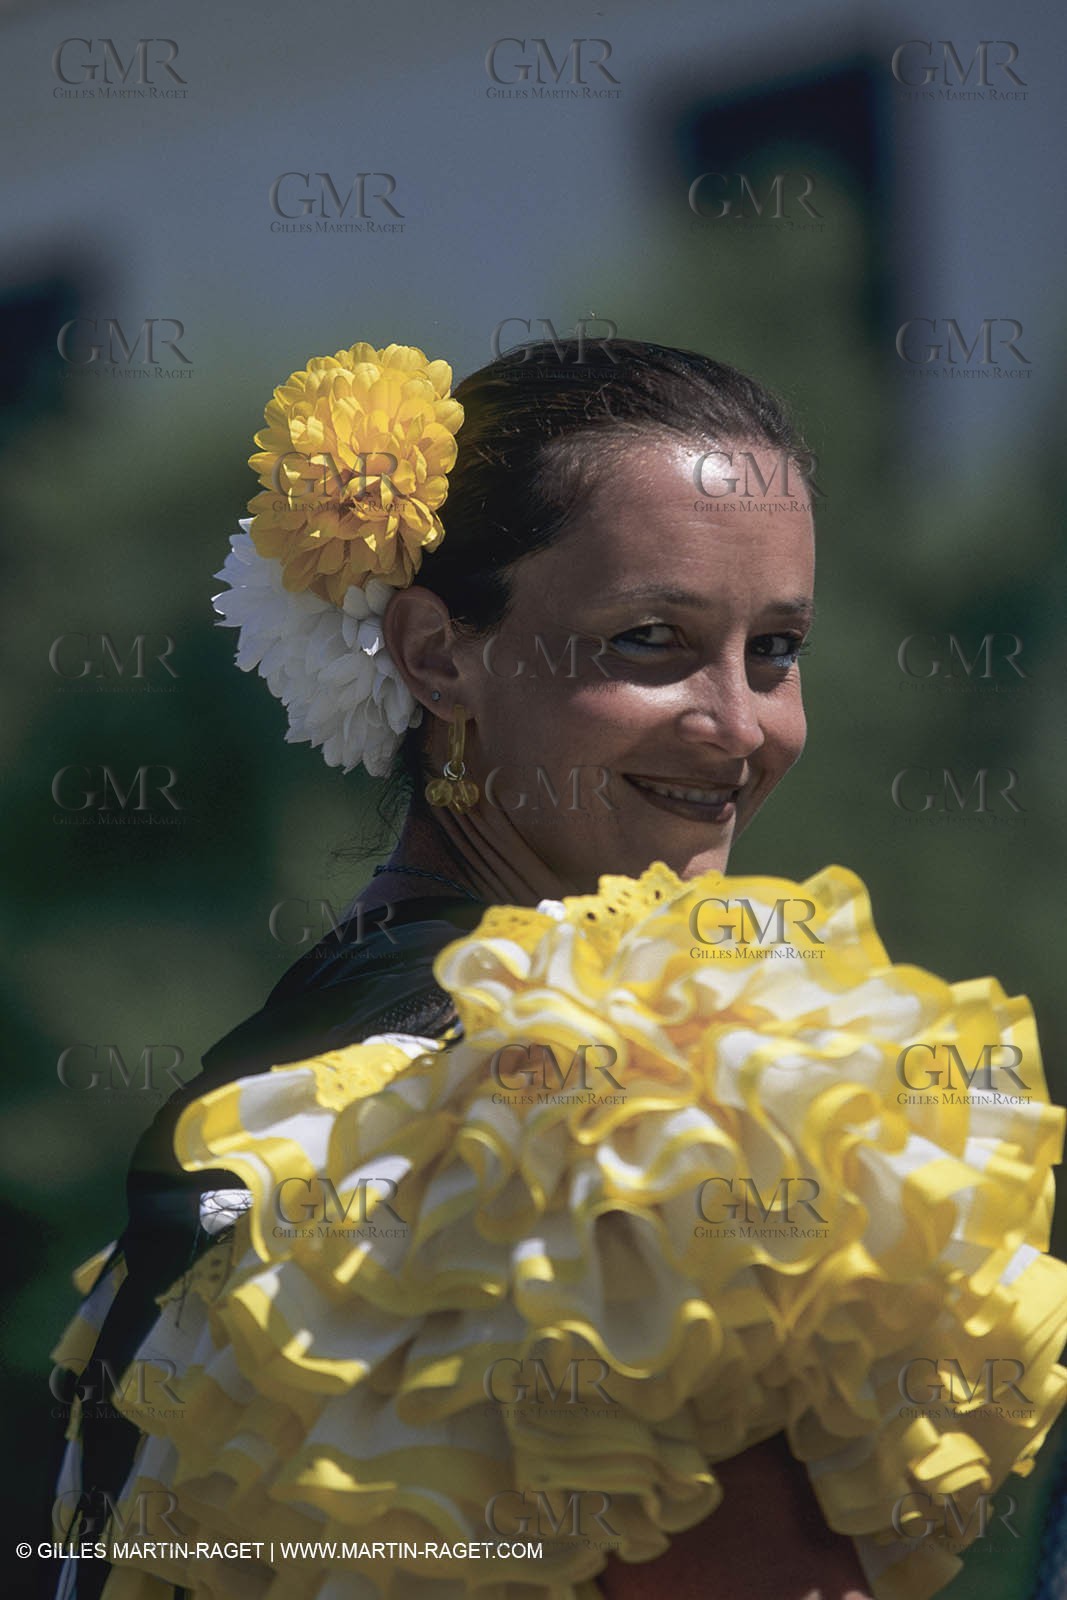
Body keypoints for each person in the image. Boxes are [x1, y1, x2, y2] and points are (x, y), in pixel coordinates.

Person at [50, 338, 1067, 1600]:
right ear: (434, 655)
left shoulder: (269, 1082)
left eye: (776, 650)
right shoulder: (644, 1096)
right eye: (651, 641)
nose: (742, 727)